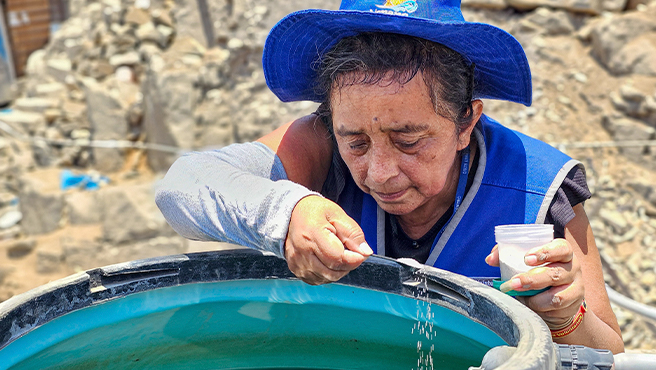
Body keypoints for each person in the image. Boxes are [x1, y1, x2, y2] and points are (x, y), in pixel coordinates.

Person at [155, 0, 623, 352]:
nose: (378, 173)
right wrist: (287, 210)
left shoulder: (539, 188)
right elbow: (184, 184)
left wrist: (563, 315)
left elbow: (609, 352)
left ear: (466, 122)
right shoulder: (318, 147)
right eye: (355, 141)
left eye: (409, 140)